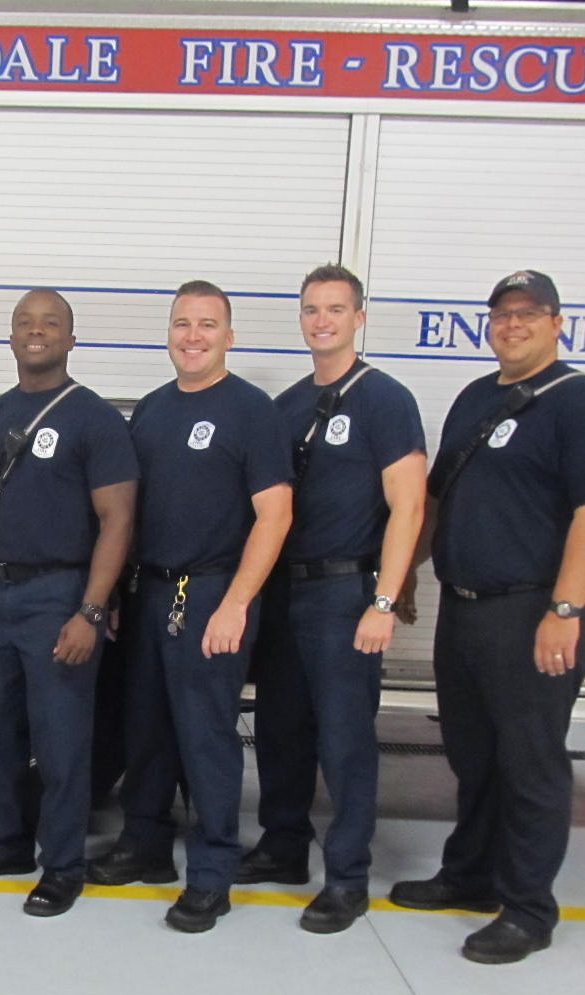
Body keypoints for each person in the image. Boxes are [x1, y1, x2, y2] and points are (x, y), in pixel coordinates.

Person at [390, 270, 585, 964]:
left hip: (533, 612)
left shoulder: (584, 405)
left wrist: (566, 608)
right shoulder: (474, 399)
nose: (512, 324)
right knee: (475, 758)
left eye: (528, 313)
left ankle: (528, 908)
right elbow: (436, 500)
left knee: (531, 764)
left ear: (557, 322)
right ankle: (470, 875)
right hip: (465, 612)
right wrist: (406, 572)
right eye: (501, 314)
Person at [87, 280, 293, 934]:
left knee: (207, 739)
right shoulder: (149, 411)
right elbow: (129, 517)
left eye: (208, 324)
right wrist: (120, 594)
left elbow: (276, 514)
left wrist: (237, 603)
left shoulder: (252, 411)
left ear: (229, 336)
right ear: (169, 333)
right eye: (182, 323)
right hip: (151, 592)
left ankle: (212, 873)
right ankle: (144, 845)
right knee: (145, 728)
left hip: (213, 593)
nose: (193, 335)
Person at [0, 289, 138, 917]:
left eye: (51, 323)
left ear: (71, 340)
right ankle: (4, 843)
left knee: (60, 743)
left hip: (59, 596)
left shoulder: (95, 420)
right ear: (11, 337)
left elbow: (118, 520)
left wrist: (90, 610)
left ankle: (62, 865)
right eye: (25, 323)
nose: (37, 332)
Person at [242, 265, 427, 933]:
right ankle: (283, 846)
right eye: (312, 309)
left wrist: (382, 600)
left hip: (346, 594)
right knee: (280, 729)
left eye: (336, 309)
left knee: (345, 741)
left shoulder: (385, 400)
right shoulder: (287, 406)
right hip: (286, 591)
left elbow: (408, 507)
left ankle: (347, 877)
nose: (323, 320)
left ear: (359, 317)